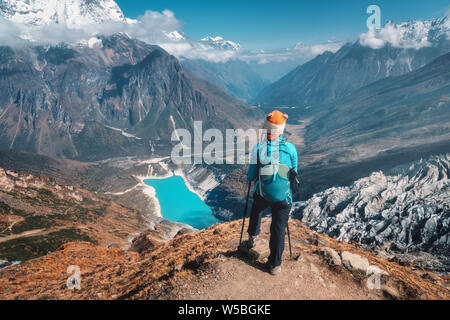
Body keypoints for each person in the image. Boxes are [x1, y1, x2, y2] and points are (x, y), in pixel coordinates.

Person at [246, 110, 298, 276]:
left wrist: (252, 179)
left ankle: (253, 237)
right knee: (278, 227)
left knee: (256, 208)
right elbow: (294, 172)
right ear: (282, 130)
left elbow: (252, 175)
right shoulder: (290, 149)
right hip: (284, 197)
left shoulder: (259, 148)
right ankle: (275, 264)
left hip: (264, 194)